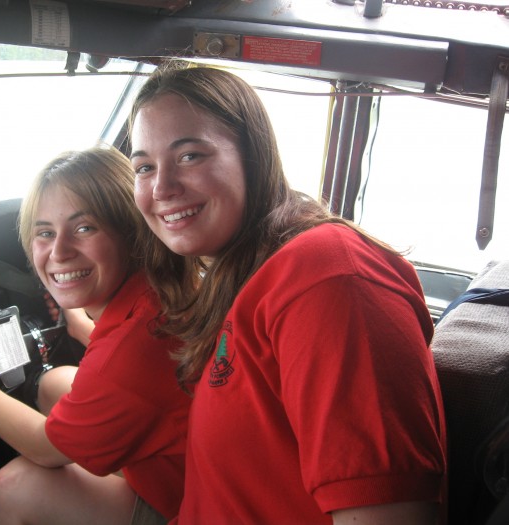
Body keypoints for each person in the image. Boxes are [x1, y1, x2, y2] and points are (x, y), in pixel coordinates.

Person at [128, 64, 447, 524]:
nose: (162, 187)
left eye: (190, 156)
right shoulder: (244, 272)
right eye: (144, 167)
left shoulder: (328, 278)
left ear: (253, 157)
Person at [0, 145, 191, 525]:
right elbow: (139, 381)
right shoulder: (153, 294)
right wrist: (86, 328)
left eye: (84, 228)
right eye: (45, 232)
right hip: (183, 466)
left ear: (131, 232)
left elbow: (46, 450)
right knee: (54, 383)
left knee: (15, 487)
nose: (59, 252)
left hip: (186, 506)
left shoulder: (131, 349)